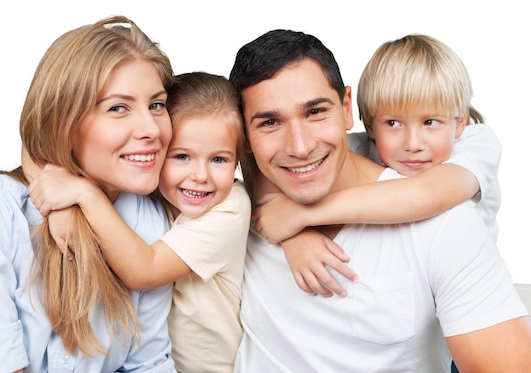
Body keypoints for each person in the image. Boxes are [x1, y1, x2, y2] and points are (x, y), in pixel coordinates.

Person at [229, 28, 531, 372]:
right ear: (244, 136)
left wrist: (299, 216)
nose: (300, 147)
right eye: (270, 122)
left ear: (346, 108)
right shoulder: (237, 207)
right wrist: (292, 231)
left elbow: (426, 194)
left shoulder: (448, 219)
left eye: (315, 112)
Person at [0, 15, 177, 372]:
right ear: (64, 121)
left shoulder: (148, 221)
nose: (152, 128)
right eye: (118, 108)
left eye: (157, 104)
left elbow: (147, 364)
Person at [28, 72, 251, 373]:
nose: (200, 175)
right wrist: (57, 206)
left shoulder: (229, 209)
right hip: (141, 361)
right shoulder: (147, 187)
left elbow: (144, 271)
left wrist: (84, 195)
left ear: (238, 160)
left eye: (219, 160)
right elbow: (33, 146)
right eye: (182, 156)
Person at [251, 34, 502, 297]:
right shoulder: (356, 147)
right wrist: (295, 237)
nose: (412, 143)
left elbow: (425, 194)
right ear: (370, 125)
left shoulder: (476, 144)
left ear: (459, 122)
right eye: (392, 123)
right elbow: (273, 166)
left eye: (430, 122)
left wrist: (301, 216)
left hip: (473, 288)